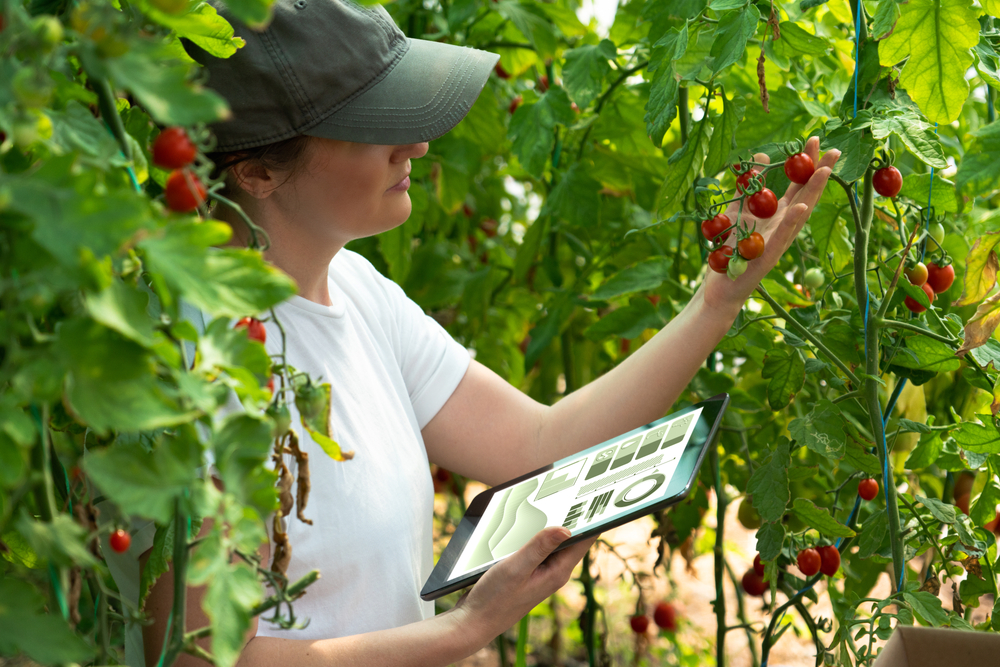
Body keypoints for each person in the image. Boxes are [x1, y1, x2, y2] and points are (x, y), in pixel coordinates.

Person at [141, 0, 841, 665]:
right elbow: (202, 656)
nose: (415, 141)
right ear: (257, 169)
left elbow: (538, 444)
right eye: (373, 123)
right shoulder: (199, 362)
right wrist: (464, 630)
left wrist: (717, 300)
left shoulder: (359, 291)